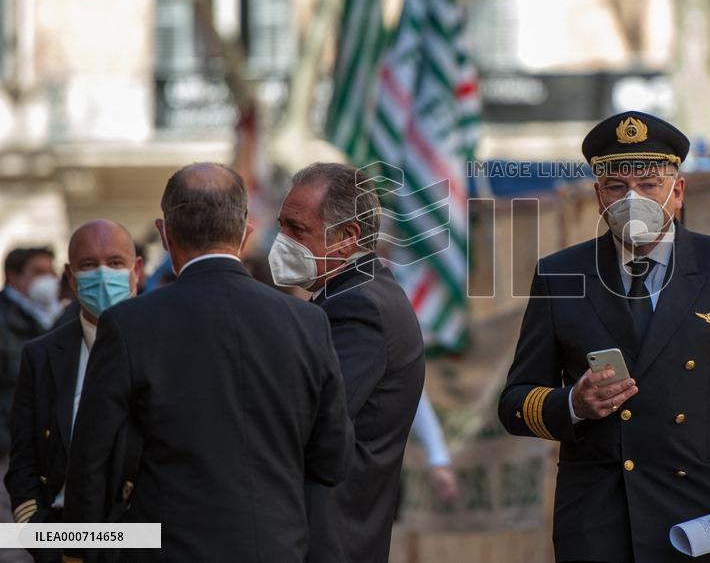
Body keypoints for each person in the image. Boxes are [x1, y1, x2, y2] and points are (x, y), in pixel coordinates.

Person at [498, 111, 710, 563]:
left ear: (677, 191)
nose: (631, 198)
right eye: (616, 186)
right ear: (598, 197)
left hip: (708, 519)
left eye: (648, 183)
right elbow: (515, 403)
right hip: (603, 524)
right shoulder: (561, 275)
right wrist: (573, 405)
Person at [63, 163, 354, 563]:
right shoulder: (307, 322)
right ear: (246, 232)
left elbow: (89, 466)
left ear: (165, 234)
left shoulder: (128, 325)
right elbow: (333, 459)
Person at [271, 162, 424, 563]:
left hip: (327, 538)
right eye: (281, 225)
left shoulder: (359, 307)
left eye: (297, 228)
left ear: (347, 237)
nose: (282, 239)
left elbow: (308, 419)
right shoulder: (355, 294)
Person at [4, 221, 142, 563]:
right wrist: (43, 540)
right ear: (69, 276)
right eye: (88, 266)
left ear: (136, 270)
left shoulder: (169, 347)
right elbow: (24, 462)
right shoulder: (41, 355)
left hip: (145, 541)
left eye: (114, 263)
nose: (102, 276)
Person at [0, 247, 61, 525]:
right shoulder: (6, 320)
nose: (47, 279)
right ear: (13, 276)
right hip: (9, 450)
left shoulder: (54, 316)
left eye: (51, 271)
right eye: (38, 272)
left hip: (45, 448)